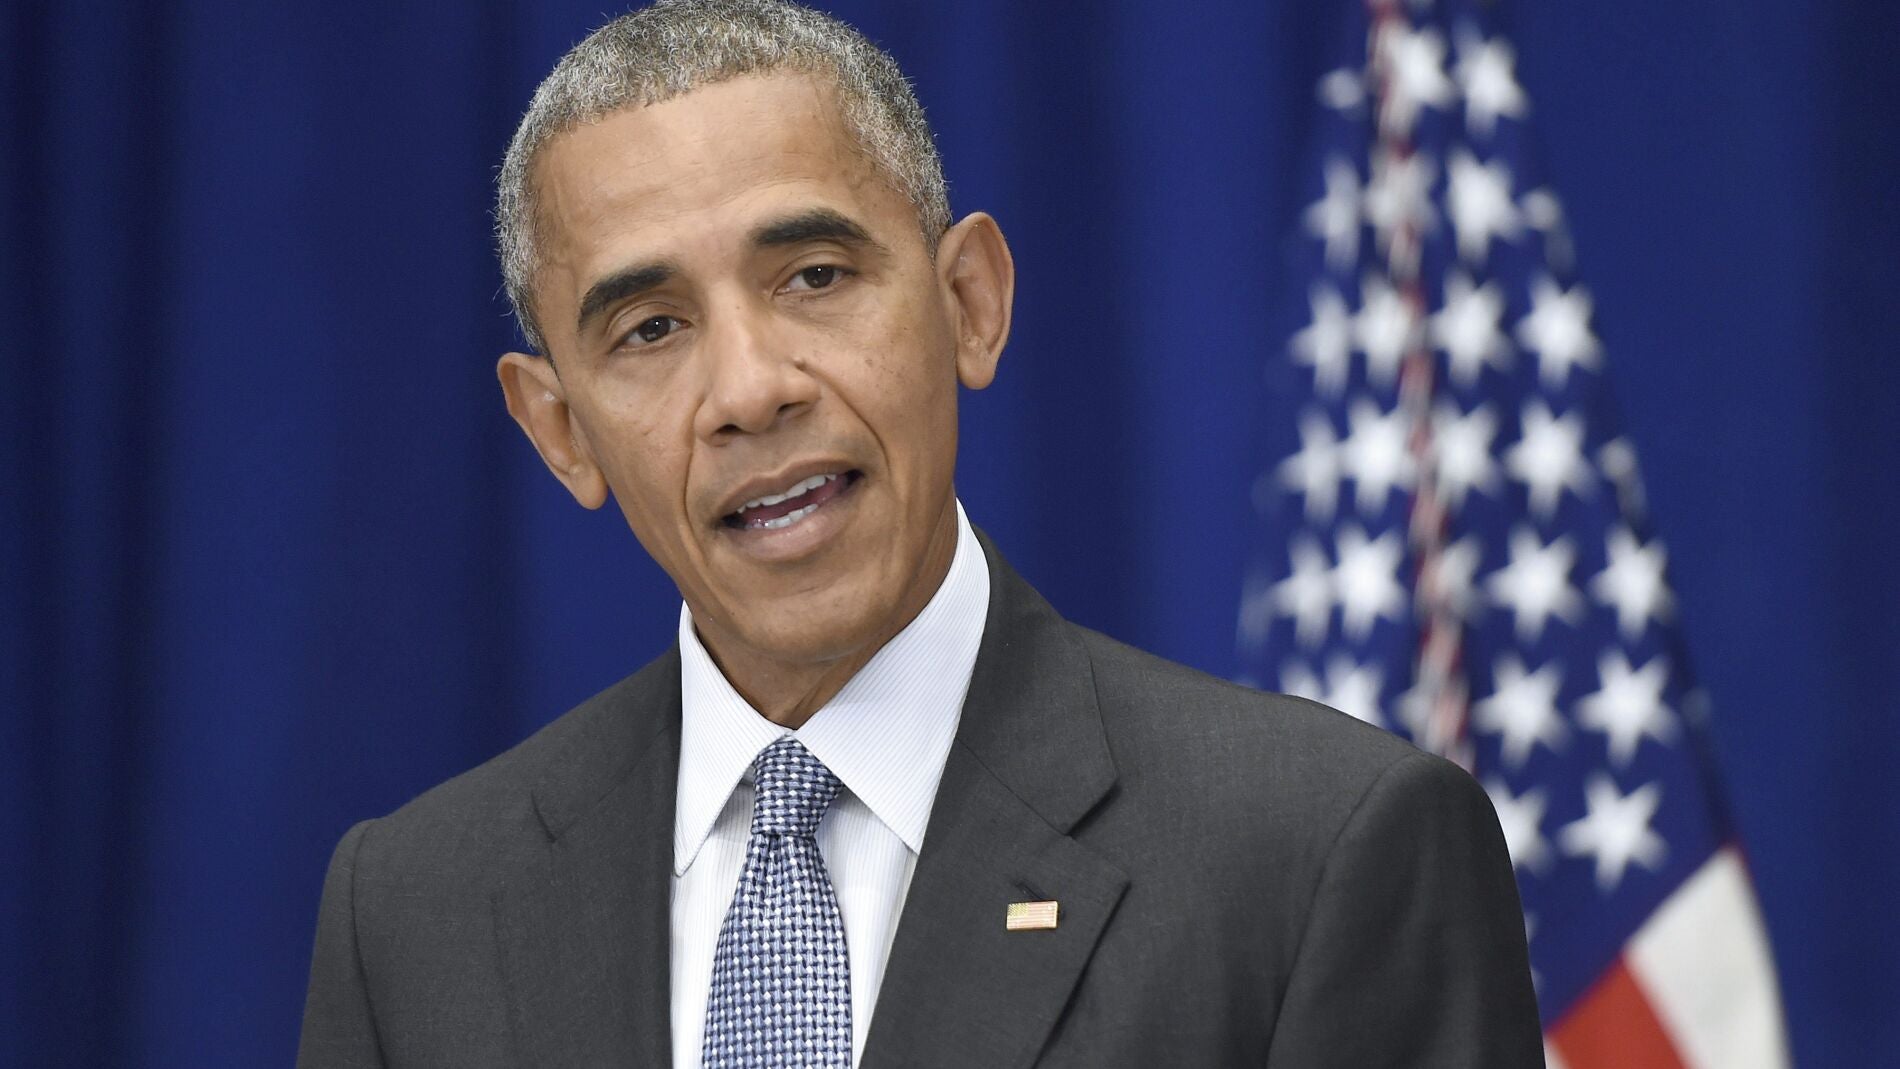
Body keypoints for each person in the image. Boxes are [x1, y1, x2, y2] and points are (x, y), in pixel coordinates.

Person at [297, 1, 1544, 1065]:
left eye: (814, 278)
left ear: (969, 304)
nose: (748, 390)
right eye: (650, 329)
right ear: (560, 427)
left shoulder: (1321, 852)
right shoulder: (413, 914)